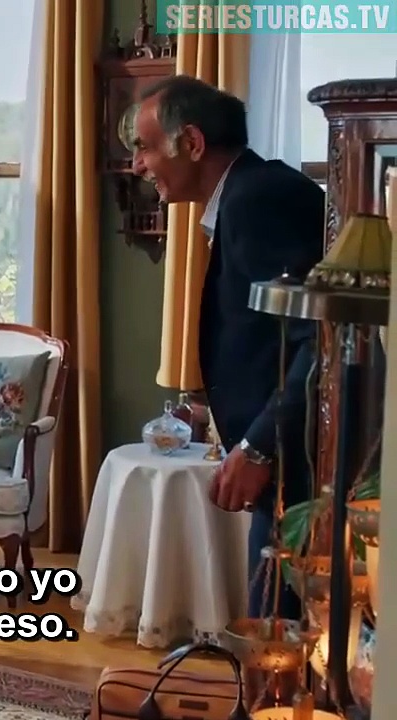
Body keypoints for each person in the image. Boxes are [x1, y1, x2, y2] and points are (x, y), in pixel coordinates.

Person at [131, 76, 322, 620]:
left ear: (191, 143)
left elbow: (319, 336)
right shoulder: (247, 195)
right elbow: (265, 335)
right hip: (288, 461)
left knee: (278, 634)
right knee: (270, 628)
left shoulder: (260, 199)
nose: (138, 166)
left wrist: (260, 445)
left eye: (145, 148)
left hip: (299, 467)